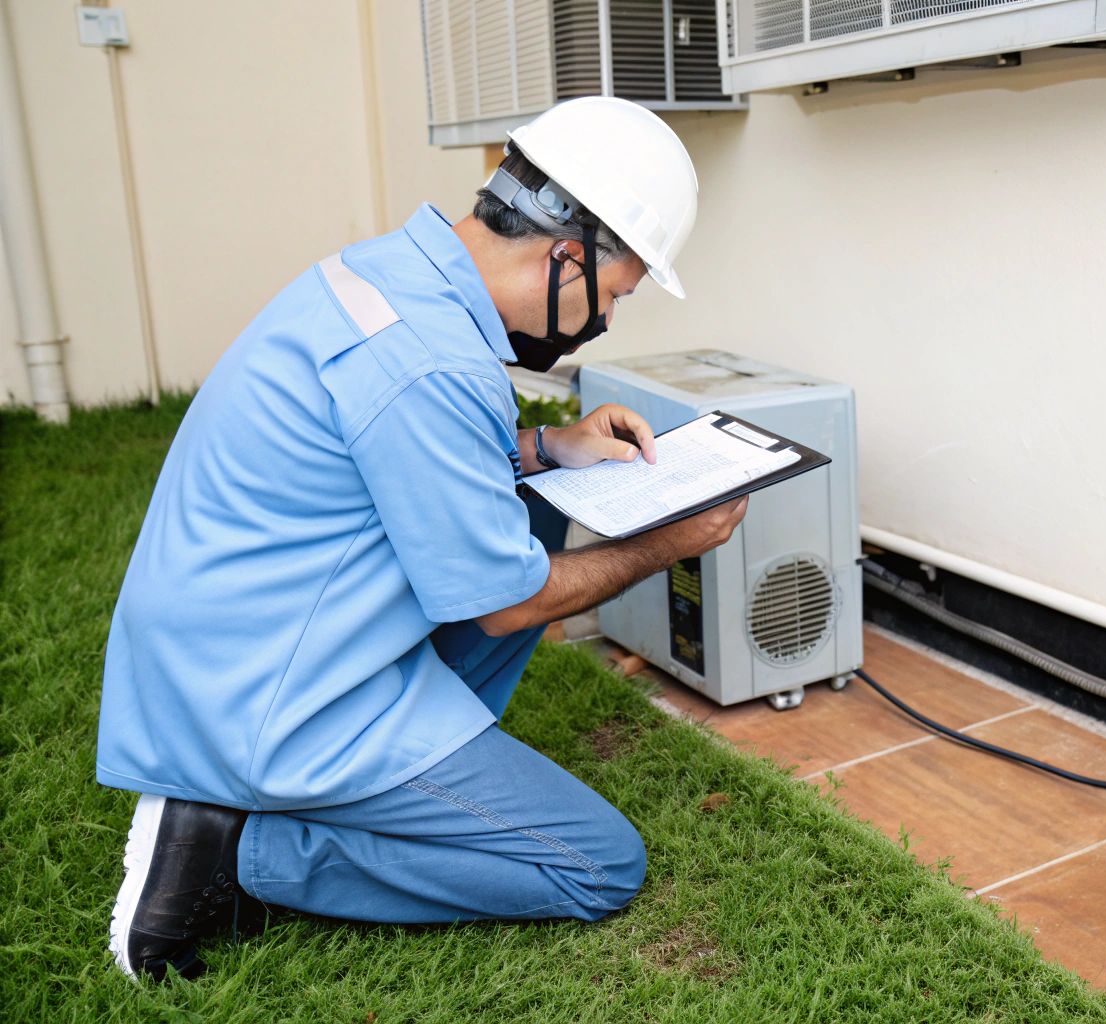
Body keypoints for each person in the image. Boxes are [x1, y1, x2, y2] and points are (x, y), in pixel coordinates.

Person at [96, 97, 744, 982]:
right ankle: (235, 849)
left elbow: (382, 448)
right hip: (266, 700)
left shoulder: (393, 275)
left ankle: (379, 769)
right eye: (615, 295)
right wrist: (668, 542)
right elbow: (511, 602)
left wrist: (550, 446)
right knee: (598, 865)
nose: (607, 321)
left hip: (225, 644)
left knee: (540, 496)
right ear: (567, 253)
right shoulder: (430, 363)